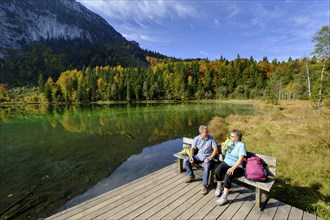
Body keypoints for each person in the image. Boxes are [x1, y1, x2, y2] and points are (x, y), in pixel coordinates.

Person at [214, 129, 247, 205]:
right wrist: (223, 147)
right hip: (227, 162)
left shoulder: (241, 145)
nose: (230, 137)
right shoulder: (231, 143)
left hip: (237, 166)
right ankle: (219, 186)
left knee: (228, 175)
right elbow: (225, 154)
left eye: (232, 136)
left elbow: (241, 159)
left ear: (237, 137)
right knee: (218, 170)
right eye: (230, 136)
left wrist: (233, 168)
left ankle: (224, 197)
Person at [184, 125, 218, 195]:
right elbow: (192, 148)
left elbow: (215, 149)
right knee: (186, 161)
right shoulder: (197, 138)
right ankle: (191, 176)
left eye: (207, 132)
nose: (207, 134)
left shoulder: (211, 138)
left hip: (208, 157)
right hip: (199, 156)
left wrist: (209, 158)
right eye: (205, 133)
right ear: (201, 133)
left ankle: (204, 185)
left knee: (206, 167)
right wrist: (191, 156)